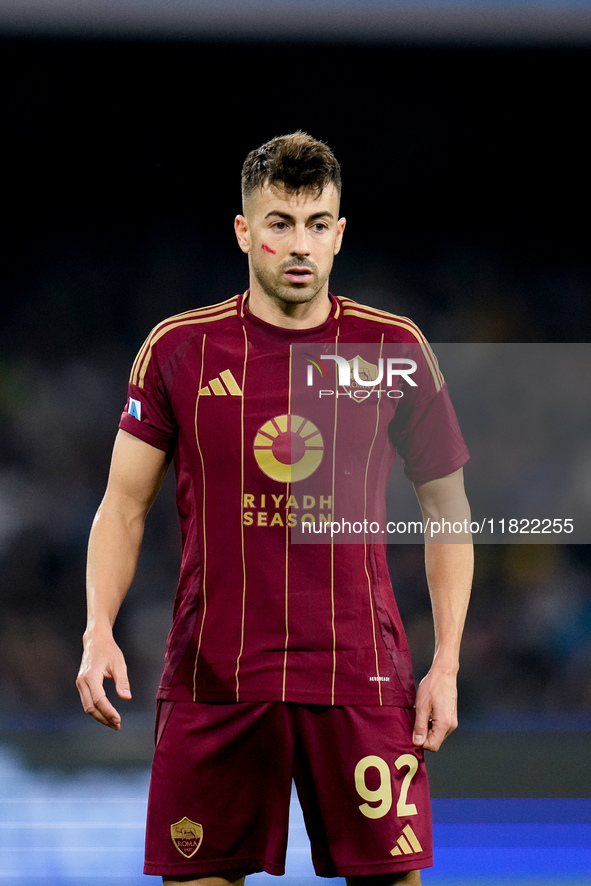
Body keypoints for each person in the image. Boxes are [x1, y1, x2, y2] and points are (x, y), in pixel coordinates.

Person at [76, 131, 473, 886]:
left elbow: (445, 509)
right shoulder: (178, 350)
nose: (299, 245)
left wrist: (445, 664)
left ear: (339, 234)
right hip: (213, 677)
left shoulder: (392, 348)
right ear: (243, 232)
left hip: (358, 676)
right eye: (280, 224)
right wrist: (98, 630)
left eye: (317, 224)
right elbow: (122, 507)